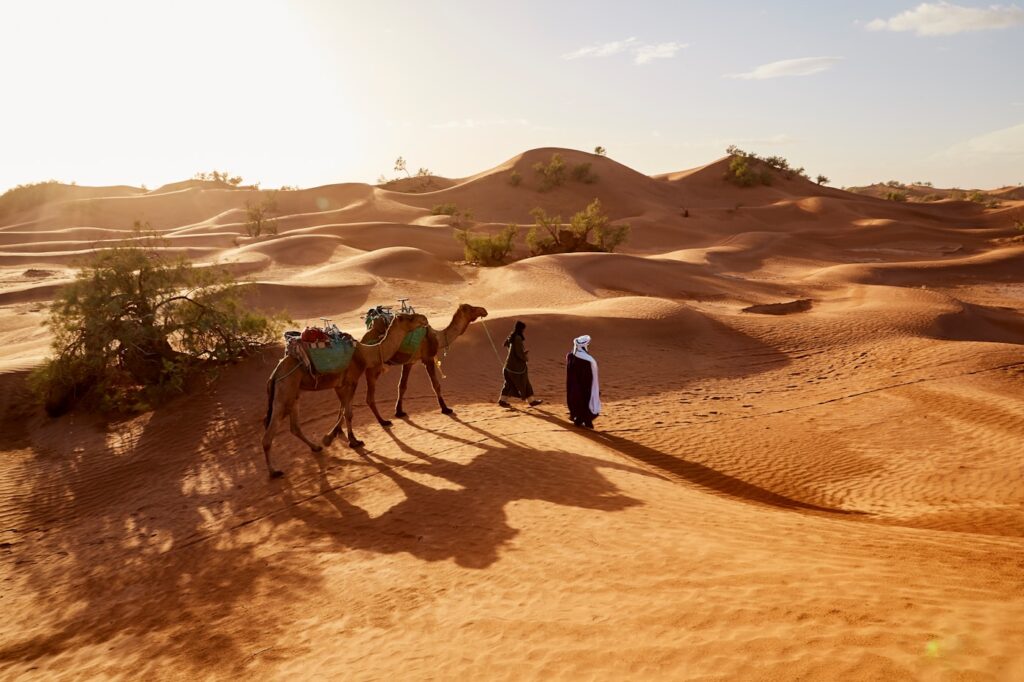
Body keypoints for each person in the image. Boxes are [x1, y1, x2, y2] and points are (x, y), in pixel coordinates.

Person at [498, 320, 543, 408]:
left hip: (508, 366)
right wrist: (525, 357)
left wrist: (516, 352)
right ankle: (531, 401)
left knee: (508, 383)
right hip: (516, 368)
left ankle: (502, 401)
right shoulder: (517, 338)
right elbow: (518, 353)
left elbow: (506, 345)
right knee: (525, 382)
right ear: (521, 329)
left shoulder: (512, 336)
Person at [566, 335, 601, 428]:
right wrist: (592, 387)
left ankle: (580, 419)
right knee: (587, 402)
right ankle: (584, 421)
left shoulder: (570, 356)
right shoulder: (586, 359)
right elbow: (587, 376)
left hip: (573, 386)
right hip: (584, 386)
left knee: (577, 402)